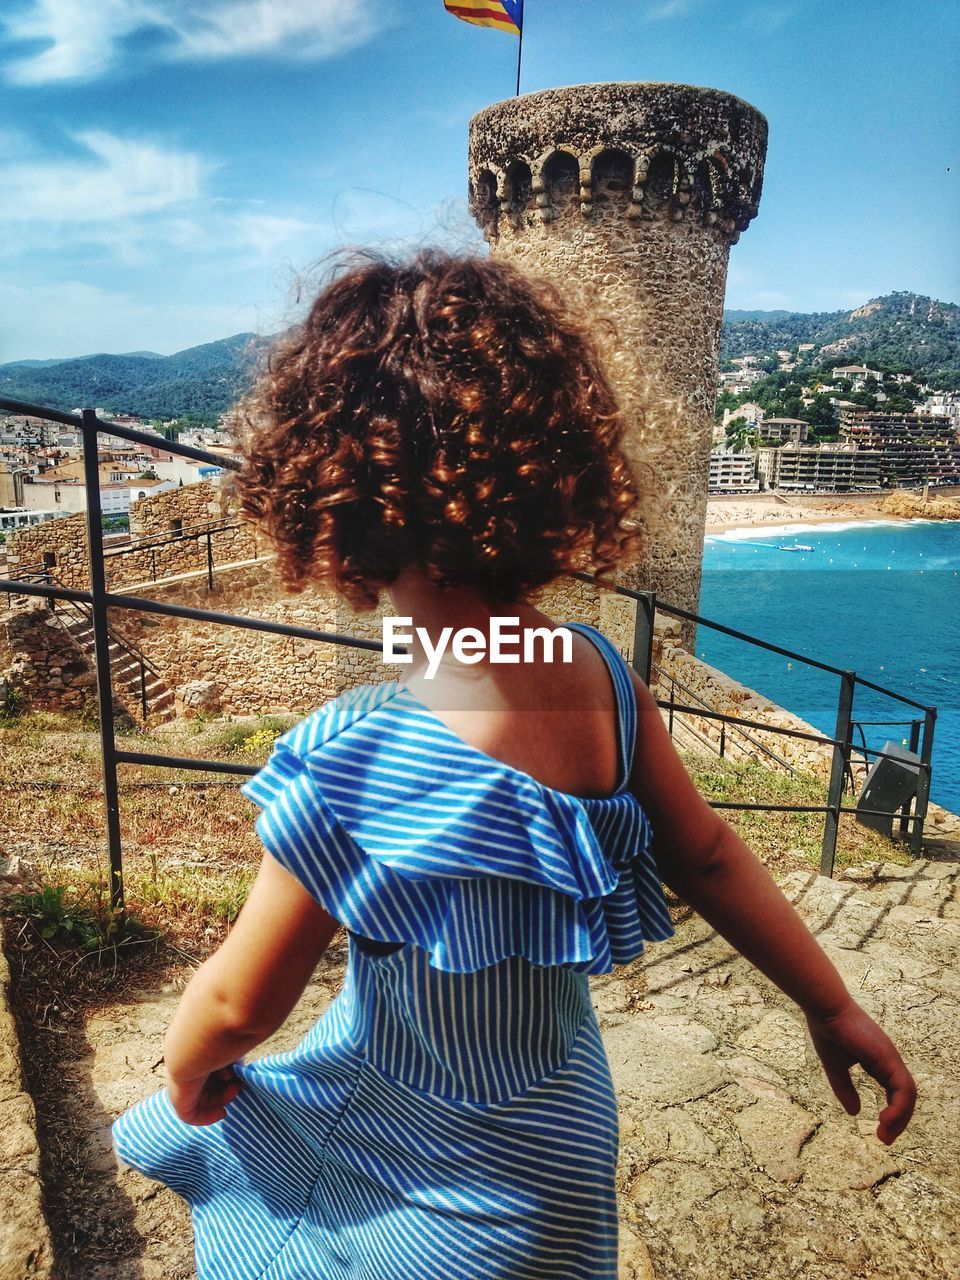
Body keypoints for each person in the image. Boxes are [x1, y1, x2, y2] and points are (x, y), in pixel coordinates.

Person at [112, 249, 916, 1280]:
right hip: (562, 1151)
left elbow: (240, 1004)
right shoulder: (597, 678)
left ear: (331, 499)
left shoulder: (355, 752)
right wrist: (829, 999)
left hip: (418, 1176)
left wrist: (185, 1069)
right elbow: (709, 853)